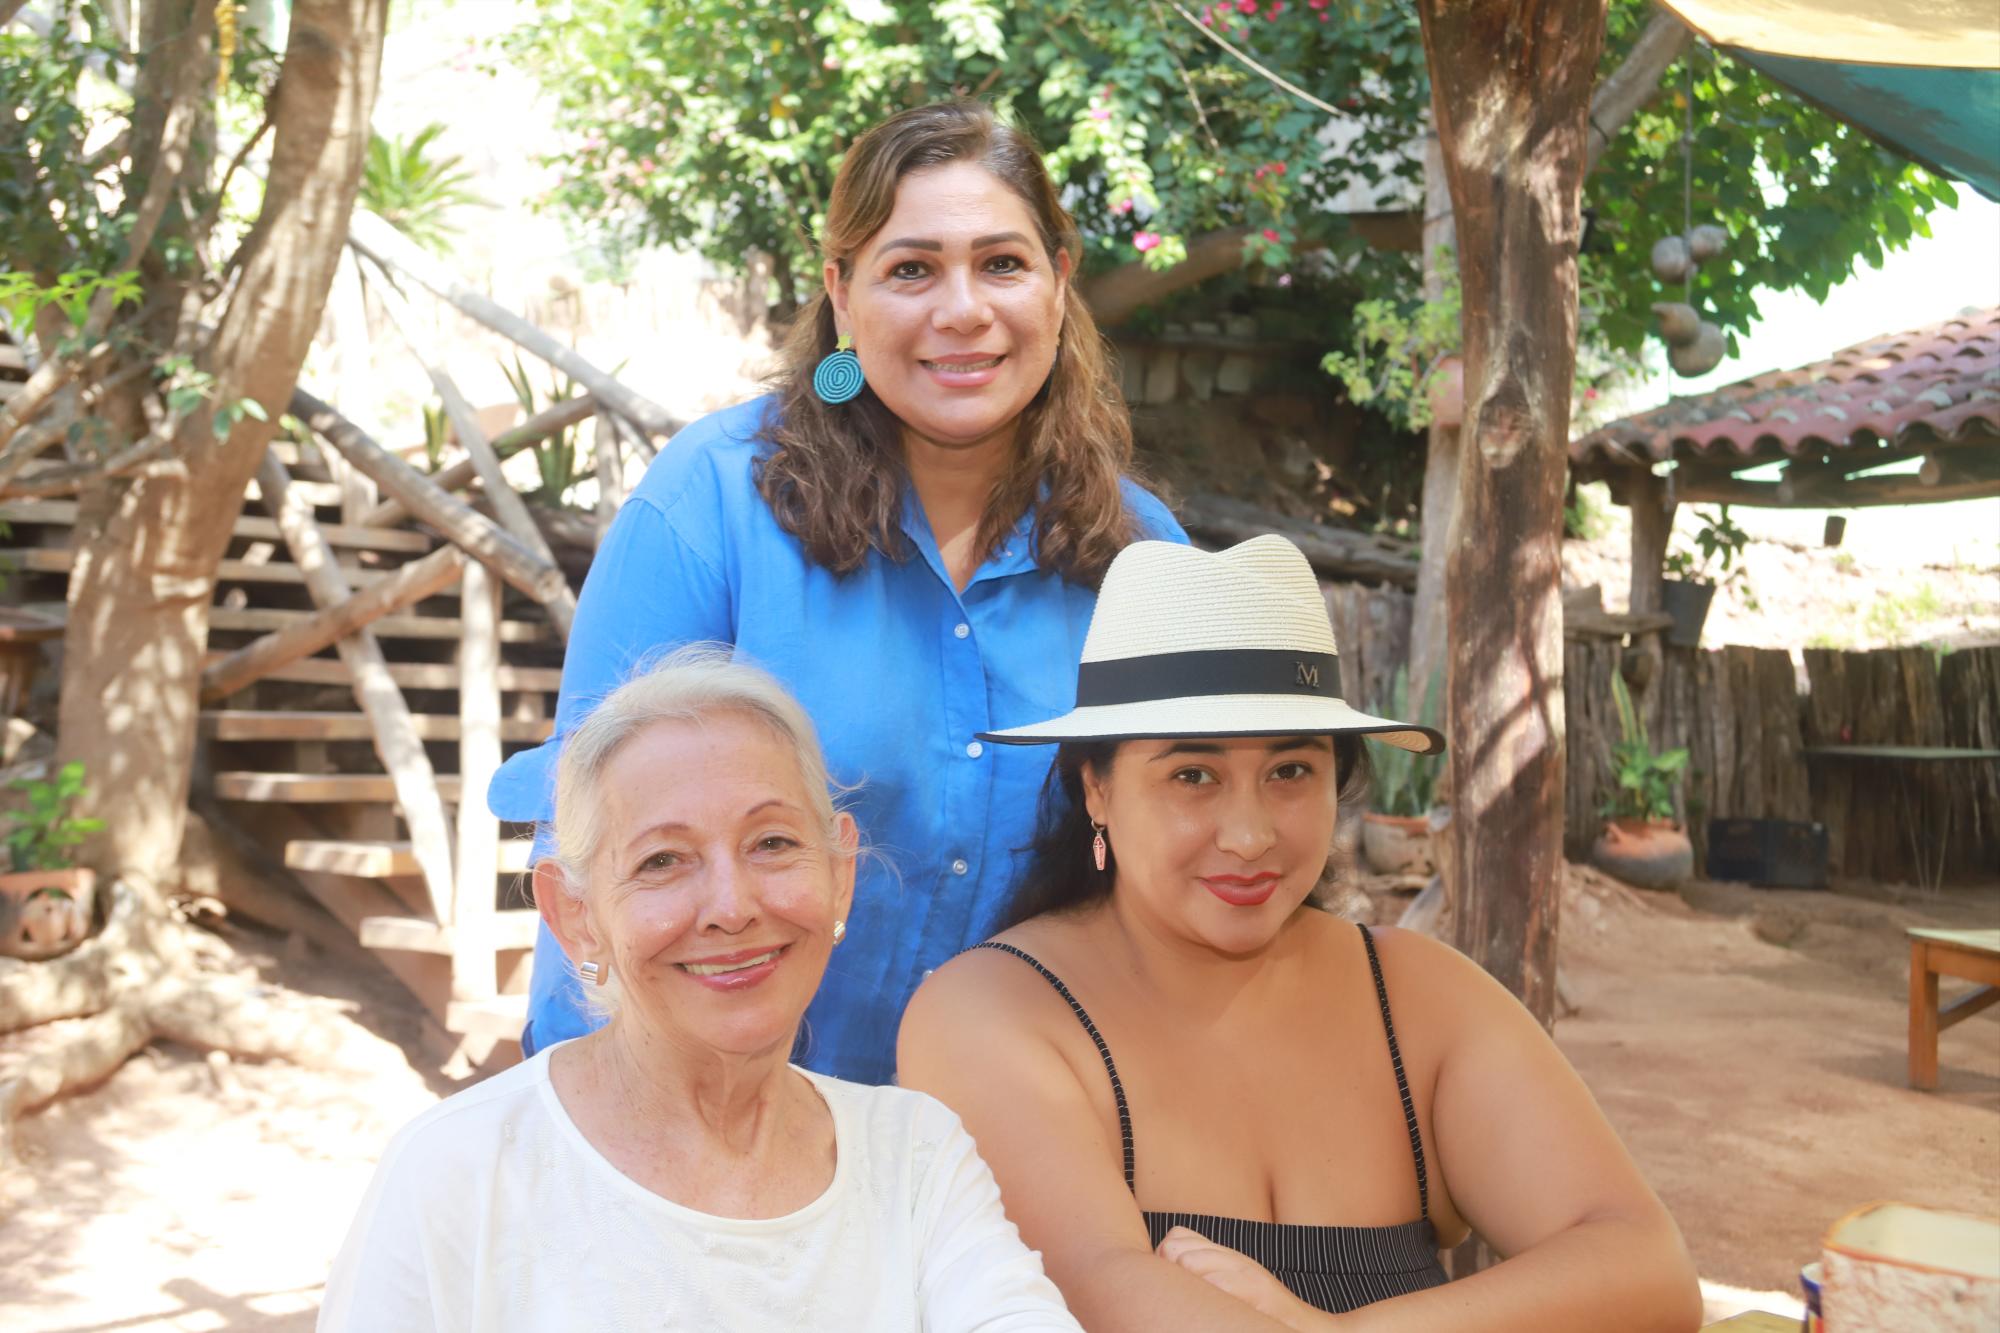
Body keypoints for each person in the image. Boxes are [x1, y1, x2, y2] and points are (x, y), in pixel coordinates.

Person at [488, 100, 1185, 1083]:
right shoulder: (711, 507)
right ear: (842, 295)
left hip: (1026, 1145)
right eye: (910, 269)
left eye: (1001, 263)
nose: (962, 310)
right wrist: (592, 1129)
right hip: (730, 1131)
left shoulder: (1141, 553)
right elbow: (596, 840)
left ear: (1059, 284)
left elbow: (1178, 871)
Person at [898, 536, 1704, 1332]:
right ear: (1096, 788)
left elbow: (1649, 1269)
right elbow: (1095, 1295)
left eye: (1291, 771)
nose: (1249, 834)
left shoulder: (1420, 1000)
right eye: (1192, 774)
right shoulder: (989, 1015)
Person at [321, 651, 1081, 1331]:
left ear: (839, 873)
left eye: (773, 843)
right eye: (663, 861)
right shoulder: (460, 1170)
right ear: (576, 917)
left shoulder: (915, 1156)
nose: (732, 905)